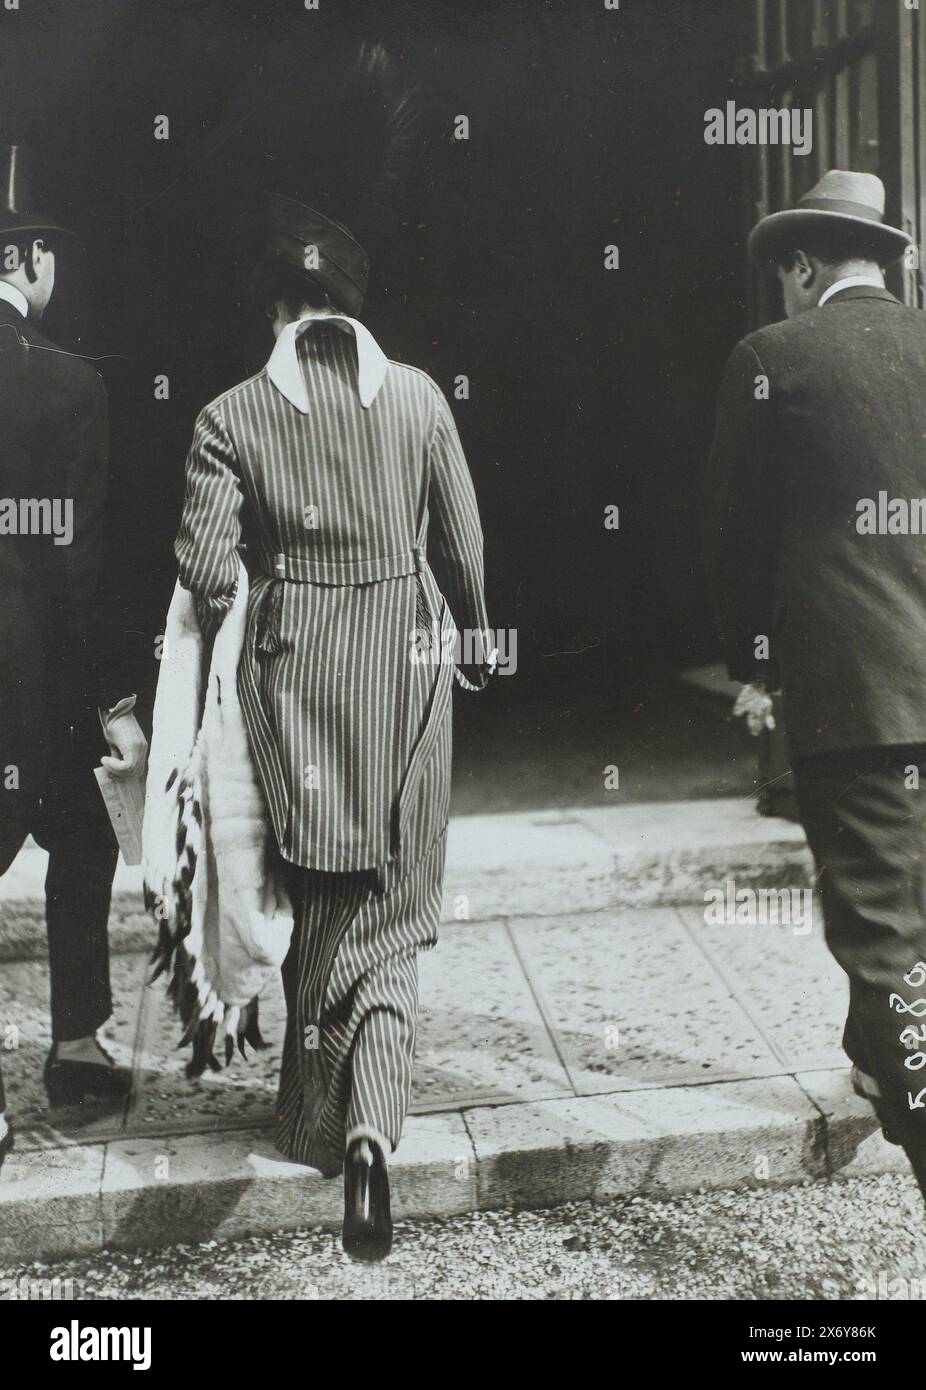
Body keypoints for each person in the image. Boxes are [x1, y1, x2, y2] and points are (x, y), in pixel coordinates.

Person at [174, 192, 493, 1259]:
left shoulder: (227, 415)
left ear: (272, 307)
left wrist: (252, 608)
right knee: (392, 905)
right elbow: (460, 540)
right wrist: (477, 634)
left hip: (293, 671)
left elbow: (208, 570)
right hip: (409, 662)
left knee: (319, 889)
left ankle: (314, 1119)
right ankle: (370, 1127)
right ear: (351, 306)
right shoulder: (415, 398)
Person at [702, 168, 926, 1197]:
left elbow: (733, 540)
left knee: (882, 933)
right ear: (885, 261)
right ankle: (873, 1057)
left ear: (800, 265)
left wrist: (753, 664)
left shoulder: (771, 359)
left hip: (852, 697)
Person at [0, 145, 147, 1168]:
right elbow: (78, 564)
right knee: (84, 839)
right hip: (30, 679)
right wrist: (109, 700)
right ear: (33, 260)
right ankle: (74, 1046)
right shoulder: (68, 388)